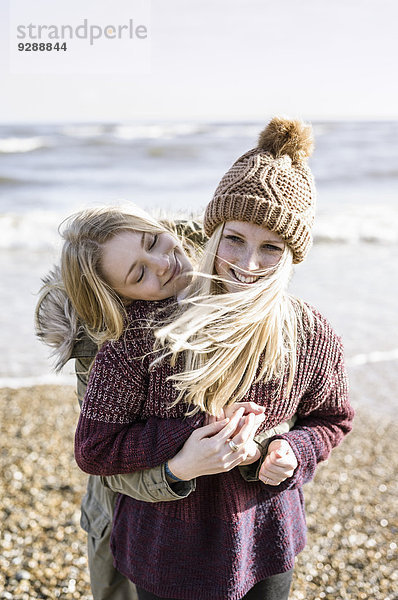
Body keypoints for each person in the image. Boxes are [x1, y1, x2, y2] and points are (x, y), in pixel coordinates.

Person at [73, 117, 354, 600]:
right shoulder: (143, 332)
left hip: (265, 541)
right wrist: (190, 439)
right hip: (162, 550)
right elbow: (94, 448)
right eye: (234, 239)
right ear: (213, 231)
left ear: (292, 254)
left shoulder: (310, 333)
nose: (247, 264)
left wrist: (291, 452)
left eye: (271, 247)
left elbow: (331, 419)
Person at [36, 207, 294, 600]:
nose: (164, 263)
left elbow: (285, 392)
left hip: (241, 514)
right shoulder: (107, 351)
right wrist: (177, 469)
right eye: (139, 274)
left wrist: (269, 442)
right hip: (136, 515)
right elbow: (103, 456)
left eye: (154, 241)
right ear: (118, 298)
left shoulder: (228, 258)